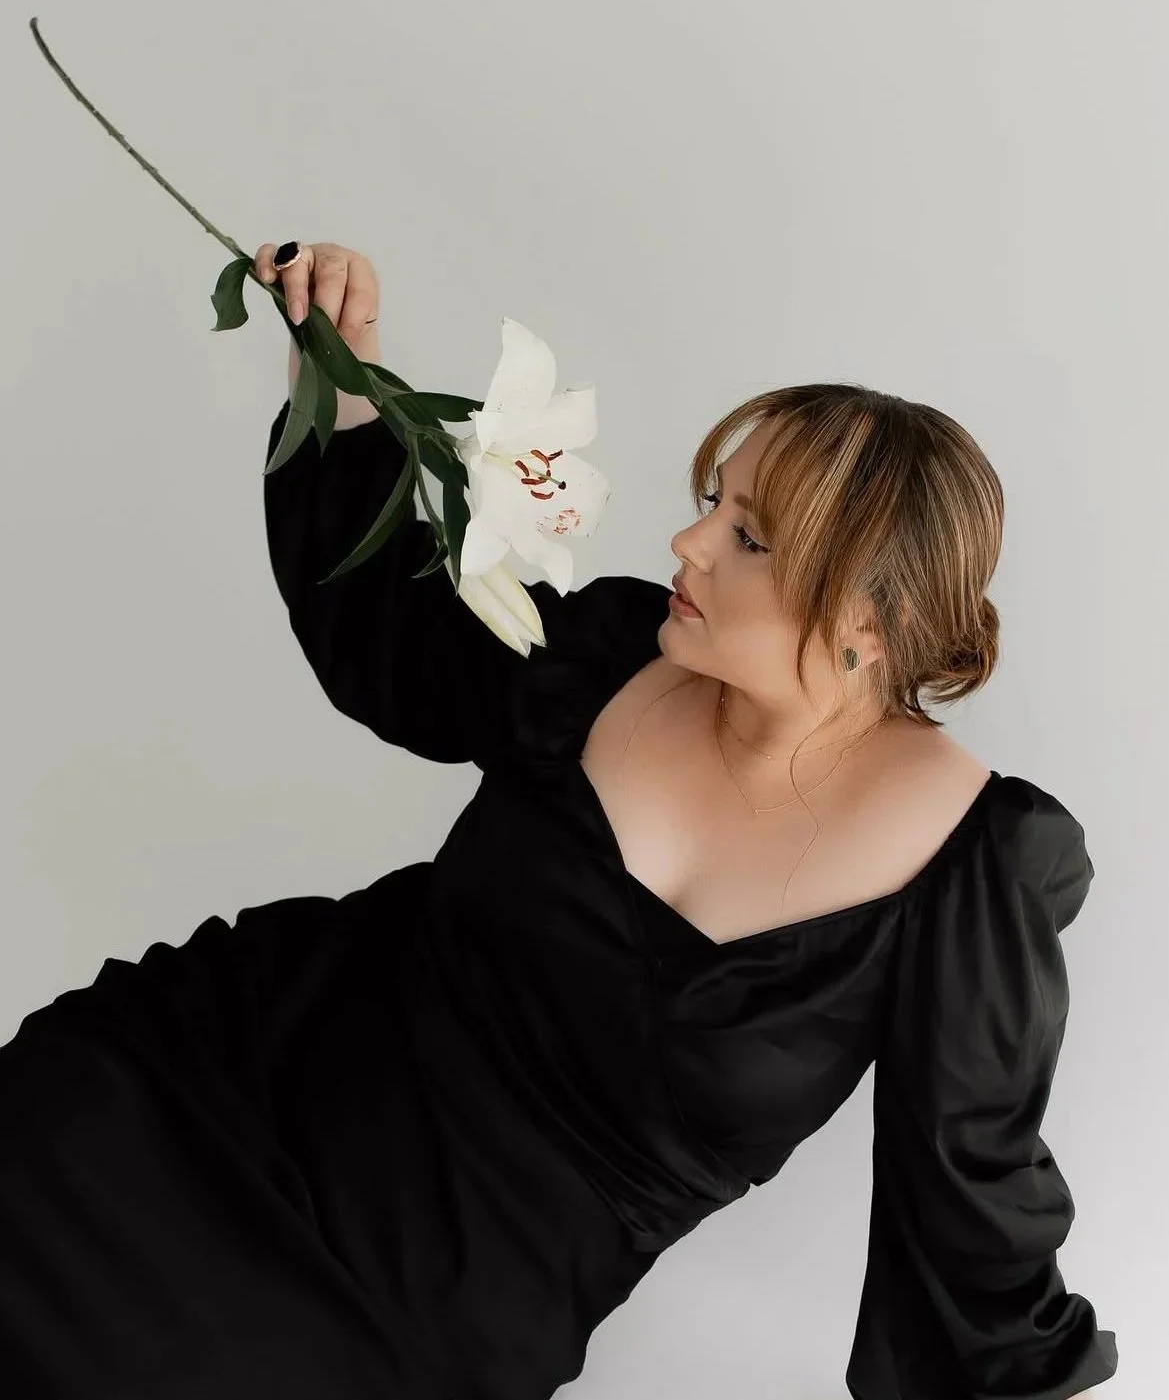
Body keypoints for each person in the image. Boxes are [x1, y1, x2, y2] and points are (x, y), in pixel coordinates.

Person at [0, 240, 1117, 1400]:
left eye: (747, 537)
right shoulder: (610, 653)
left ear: (869, 621)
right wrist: (342, 361)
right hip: (217, 1084)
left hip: (418, 1319)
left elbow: (972, 1189)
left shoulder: (969, 863)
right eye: (712, 501)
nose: (687, 542)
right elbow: (395, 642)